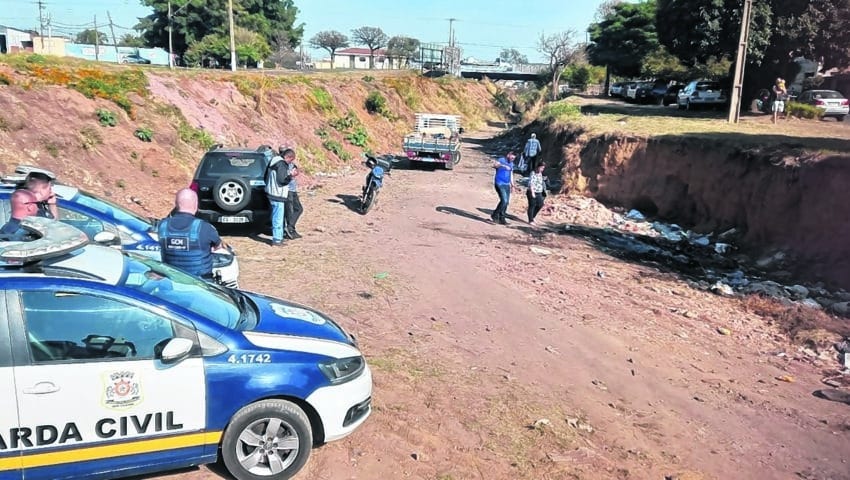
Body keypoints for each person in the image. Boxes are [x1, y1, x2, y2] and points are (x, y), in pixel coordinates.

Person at [157, 189, 227, 279]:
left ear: (176, 204)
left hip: (172, 283)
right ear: (196, 204)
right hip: (201, 286)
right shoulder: (205, 227)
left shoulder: (162, 226)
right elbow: (218, 247)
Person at [265, 147, 290, 246]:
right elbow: (282, 181)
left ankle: (278, 237)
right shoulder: (281, 165)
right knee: (278, 218)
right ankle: (277, 239)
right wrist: (290, 177)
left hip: (271, 193)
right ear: (288, 157)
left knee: (276, 216)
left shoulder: (273, 161)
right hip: (278, 195)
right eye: (291, 159)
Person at [281, 148, 303, 240]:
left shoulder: (291, 164)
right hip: (288, 191)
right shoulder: (283, 165)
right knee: (290, 212)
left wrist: (295, 172)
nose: (292, 161)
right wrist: (291, 175)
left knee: (298, 209)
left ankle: (290, 228)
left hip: (292, 190)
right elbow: (284, 177)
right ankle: (290, 229)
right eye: (291, 158)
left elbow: (296, 170)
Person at [490, 151, 516, 225]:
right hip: (499, 183)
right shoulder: (501, 160)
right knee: (504, 200)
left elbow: (511, 174)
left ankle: (502, 218)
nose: (512, 159)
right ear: (508, 155)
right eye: (512, 157)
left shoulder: (511, 164)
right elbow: (495, 165)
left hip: (507, 184)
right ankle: (494, 215)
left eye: (514, 158)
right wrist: (503, 166)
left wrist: (512, 185)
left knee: (506, 202)